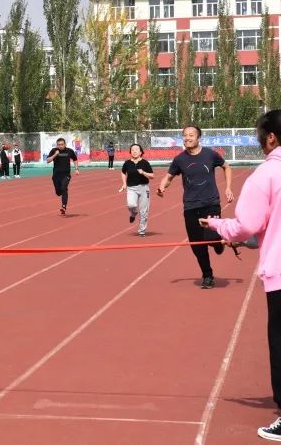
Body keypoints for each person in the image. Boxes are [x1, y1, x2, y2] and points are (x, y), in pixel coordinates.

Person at [200, 110, 281, 440]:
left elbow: (248, 225)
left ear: (271, 137)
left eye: (260, 135)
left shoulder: (266, 174)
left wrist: (217, 225)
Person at [157, 125, 234, 289]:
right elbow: (169, 177)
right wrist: (162, 186)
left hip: (211, 203)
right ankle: (207, 275)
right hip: (191, 206)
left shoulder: (210, 154)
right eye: (185, 135)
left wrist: (228, 187)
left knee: (211, 238)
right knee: (197, 244)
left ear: (199, 138)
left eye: (191, 135)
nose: (187, 138)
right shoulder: (179, 160)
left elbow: (226, 166)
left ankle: (217, 243)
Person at [118, 144, 155, 237]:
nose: (134, 151)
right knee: (131, 205)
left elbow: (152, 176)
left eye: (136, 150)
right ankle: (133, 213)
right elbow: (123, 172)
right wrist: (124, 184)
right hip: (131, 188)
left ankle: (142, 230)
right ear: (130, 152)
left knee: (144, 211)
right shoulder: (127, 163)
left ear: (141, 152)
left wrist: (143, 172)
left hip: (143, 188)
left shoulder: (145, 163)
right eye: (132, 150)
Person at [46, 138, 79, 215]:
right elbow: (48, 160)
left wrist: (76, 169)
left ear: (65, 144)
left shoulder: (69, 151)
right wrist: (55, 154)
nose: (60, 146)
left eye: (62, 144)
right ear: (57, 145)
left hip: (66, 175)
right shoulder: (54, 150)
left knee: (64, 188)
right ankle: (61, 193)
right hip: (56, 175)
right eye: (58, 145)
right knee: (58, 193)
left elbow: (75, 159)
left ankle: (64, 206)